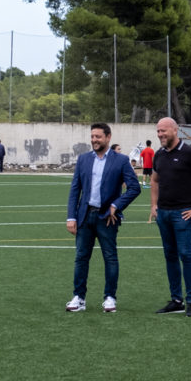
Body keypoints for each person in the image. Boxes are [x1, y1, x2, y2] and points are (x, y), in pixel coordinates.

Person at [64, 123, 141, 314]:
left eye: (98, 136)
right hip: (84, 217)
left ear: (108, 137)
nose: (94, 140)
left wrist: (116, 205)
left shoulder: (121, 160)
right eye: (92, 136)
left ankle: (109, 297)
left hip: (107, 218)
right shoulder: (83, 160)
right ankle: (79, 297)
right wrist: (71, 217)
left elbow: (134, 188)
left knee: (110, 258)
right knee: (81, 258)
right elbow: (75, 189)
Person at [150, 117, 191, 317]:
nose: (160, 134)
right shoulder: (159, 154)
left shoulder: (189, 152)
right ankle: (176, 300)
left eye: (164, 131)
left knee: (186, 255)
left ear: (175, 130)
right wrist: (154, 205)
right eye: (158, 131)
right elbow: (154, 180)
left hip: (183, 214)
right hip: (164, 214)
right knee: (170, 256)